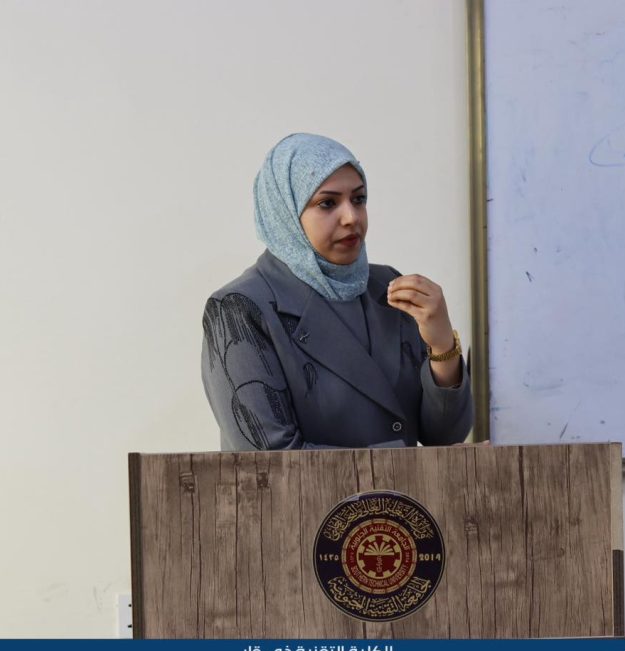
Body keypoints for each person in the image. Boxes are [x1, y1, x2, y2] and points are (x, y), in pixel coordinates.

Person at [201, 133, 473, 451]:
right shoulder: (239, 309)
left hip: (401, 488)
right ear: (284, 213)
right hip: (331, 491)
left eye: (358, 199)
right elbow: (270, 461)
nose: (351, 217)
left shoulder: (388, 287)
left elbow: (444, 437)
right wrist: (410, 463)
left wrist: (442, 345)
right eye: (327, 203)